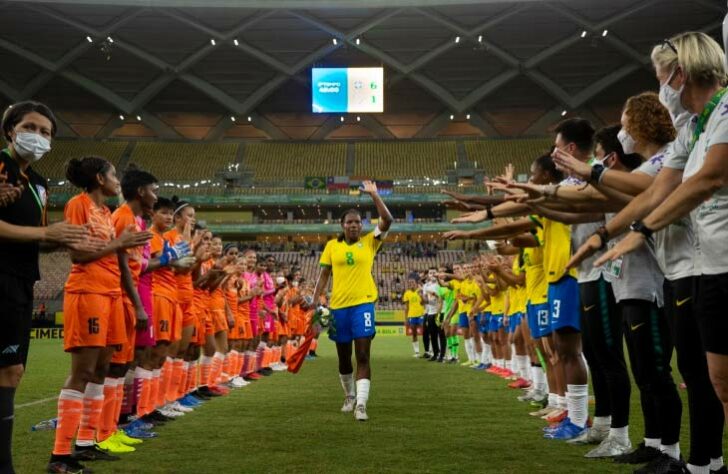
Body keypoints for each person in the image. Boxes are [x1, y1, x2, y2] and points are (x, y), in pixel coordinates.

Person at [0, 101, 93, 474]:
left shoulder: (38, 182)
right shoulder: (1, 167)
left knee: (13, 371)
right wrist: (45, 232)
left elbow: (35, 237)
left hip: (23, 281)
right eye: (30, 128)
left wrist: (63, 239)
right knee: (7, 371)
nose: (37, 136)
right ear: (10, 130)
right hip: (2, 278)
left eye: (45, 132)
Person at [48, 156, 151, 473]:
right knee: (83, 371)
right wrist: (119, 243)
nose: (118, 180)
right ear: (98, 178)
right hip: (88, 293)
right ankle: (60, 456)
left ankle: (85, 443)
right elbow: (78, 254)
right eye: (113, 175)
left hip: (109, 295)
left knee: (101, 369)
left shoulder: (106, 212)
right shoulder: (78, 205)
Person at [309, 180, 393, 422]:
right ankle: (349, 396)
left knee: (363, 354)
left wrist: (375, 195)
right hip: (338, 307)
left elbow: (387, 220)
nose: (354, 225)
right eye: (350, 222)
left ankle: (362, 405)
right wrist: (315, 304)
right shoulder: (331, 247)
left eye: (358, 222)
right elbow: (323, 275)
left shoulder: (370, 242)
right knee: (344, 357)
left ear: (362, 225)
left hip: (363, 304)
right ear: (342, 225)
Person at [402, 278, 425, 357]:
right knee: (414, 333)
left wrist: (421, 296)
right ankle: (417, 352)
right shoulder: (407, 293)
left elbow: (423, 303)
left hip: (421, 314)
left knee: (426, 332)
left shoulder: (420, 291)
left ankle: (429, 350)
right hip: (412, 315)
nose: (411, 284)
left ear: (416, 283)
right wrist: (406, 318)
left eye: (412, 282)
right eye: (409, 282)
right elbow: (407, 307)